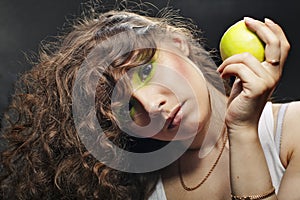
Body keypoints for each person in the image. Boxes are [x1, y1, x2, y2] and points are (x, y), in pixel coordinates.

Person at [0, 2, 299, 200]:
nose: (150, 104)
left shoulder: (293, 131)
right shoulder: (148, 191)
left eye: (145, 70)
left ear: (179, 44)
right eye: (126, 107)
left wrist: (244, 130)